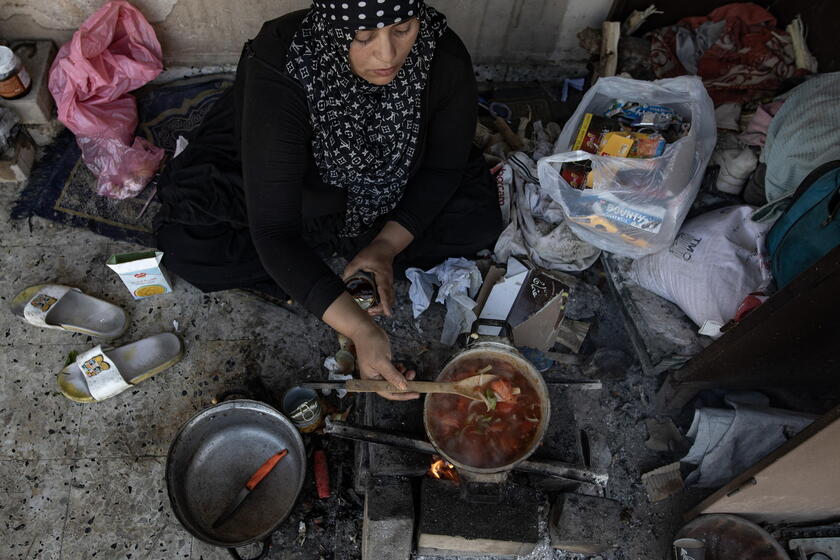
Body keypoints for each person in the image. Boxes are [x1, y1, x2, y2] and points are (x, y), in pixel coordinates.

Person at [155, 1, 502, 400]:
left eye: (403, 29)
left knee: (478, 221)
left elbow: (442, 169)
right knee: (190, 244)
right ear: (334, 28)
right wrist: (360, 329)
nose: (386, 55)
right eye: (363, 37)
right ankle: (323, 267)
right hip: (301, 190)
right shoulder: (283, 68)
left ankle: (342, 262)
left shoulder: (442, 55)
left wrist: (389, 244)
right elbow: (274, 228)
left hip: (387, 188)